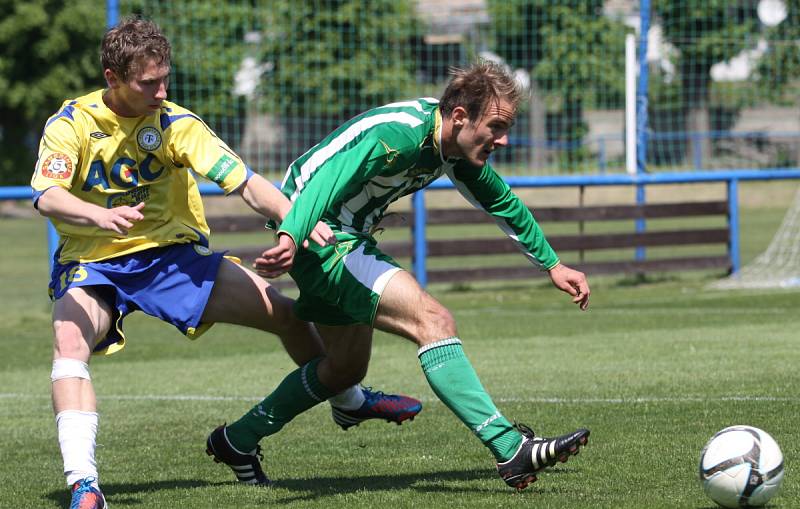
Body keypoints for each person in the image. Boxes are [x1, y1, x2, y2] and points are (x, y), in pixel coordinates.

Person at [31, 17, 421, 509]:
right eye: (147, 82)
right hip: (95, 262)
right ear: (112, 78)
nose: (160, 91)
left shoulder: (176, 123)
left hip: (172, 259)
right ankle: (84, 485)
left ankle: (349, 400)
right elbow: (46, 196)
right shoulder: (72, 124)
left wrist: (293, 218)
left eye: (164, 78)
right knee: (69, 345)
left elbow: (246, 182)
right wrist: (97, 216)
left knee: (287, 317)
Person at [207, 61, 591, 490]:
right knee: (434, 321)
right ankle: (509, 448)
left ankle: (237, 440)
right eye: (497, 126)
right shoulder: (399, 135)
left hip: (335, 237)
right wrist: (292, 234)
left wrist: (553, 264)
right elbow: (325, 182)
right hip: (323, 237)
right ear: (460, 117)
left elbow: (502, 203)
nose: (503, 139)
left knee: (344, 369)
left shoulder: (452, 147)